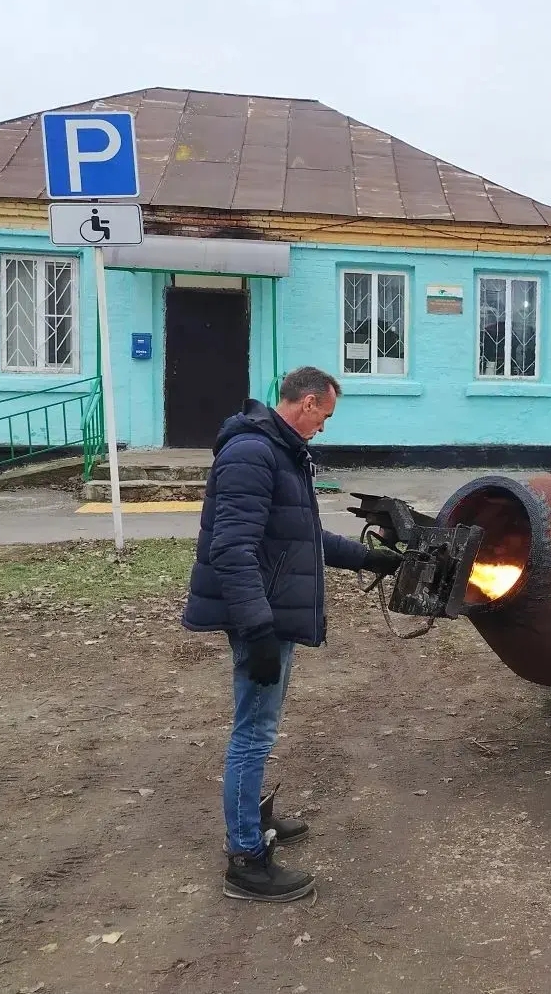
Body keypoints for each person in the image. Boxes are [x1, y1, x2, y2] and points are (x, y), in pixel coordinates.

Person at [182, 366, 401, 902]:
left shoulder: (280, 451)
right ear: (307, 403)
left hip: (270, 609)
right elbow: (231, 548)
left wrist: (369, 559)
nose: (324, 426)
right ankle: (246, 860)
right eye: (325, 415)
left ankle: (252, 818)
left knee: (259, 726)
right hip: (262, 616)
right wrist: (257, 629)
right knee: (253, 733)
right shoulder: (252, 453)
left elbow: (304, 534)